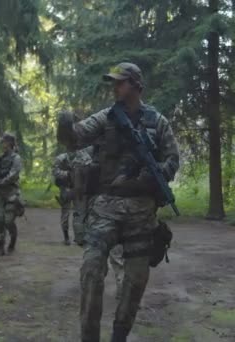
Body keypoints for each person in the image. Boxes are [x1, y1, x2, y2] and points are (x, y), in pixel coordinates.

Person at [56, 62, 180, 341]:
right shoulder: (106, 117)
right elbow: (76, 138)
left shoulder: (158, 122)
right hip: (105, 210)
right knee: (91, 270)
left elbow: (173, 160)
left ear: (136, 85)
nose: (115, 87)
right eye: (113, 82)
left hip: (141, 214)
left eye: (120, 82)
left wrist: (150, 174)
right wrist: (66, 127)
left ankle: (119, 335)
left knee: (135, 282)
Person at [0, 132, 23, 257]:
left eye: (3, 141)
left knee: (9, 221)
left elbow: (13, 175)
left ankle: (13, 240)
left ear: (8, 143)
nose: (1, 144)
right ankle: (0, 247)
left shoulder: (16, 158)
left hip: (11, 192)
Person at [53, 146, 93, 246]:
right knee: (65, 214)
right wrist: (68, 174)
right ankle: (66, 237)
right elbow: (55, 172)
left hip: (78, 189)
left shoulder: (83, 157)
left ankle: (79, 237)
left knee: (79, 213)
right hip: (65, 188)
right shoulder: (60, 159)